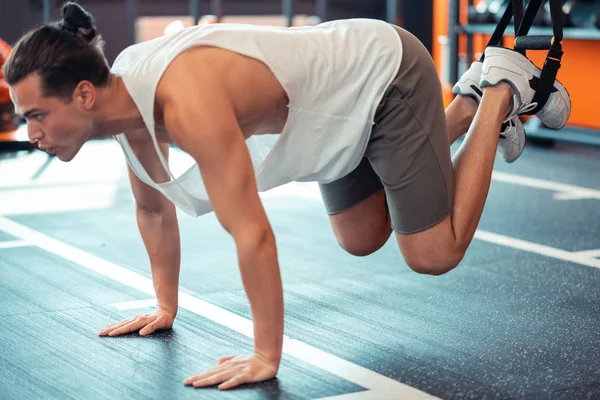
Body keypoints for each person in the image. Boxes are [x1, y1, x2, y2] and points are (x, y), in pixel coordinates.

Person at [3, 1, 570, 391]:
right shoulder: (122, 98)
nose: (29, 132)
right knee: (361, 237)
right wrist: (165, 306)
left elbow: (252, 234)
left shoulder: (186, 101)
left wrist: (265, 357)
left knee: (432, 253)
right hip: (332, 117)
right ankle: (465, 106)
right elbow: (154, 211)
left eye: (35, 116)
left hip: (379, 76)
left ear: (82, 95)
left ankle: (497, 88)